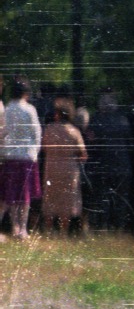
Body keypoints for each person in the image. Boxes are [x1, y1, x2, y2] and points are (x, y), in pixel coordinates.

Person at [0, 80, 43, 239]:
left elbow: (3, 132)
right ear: (26, 93)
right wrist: (35, 153)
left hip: (10, 156)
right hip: (26, 156)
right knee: (24, 196)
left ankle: (14, 227)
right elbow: (36, 132)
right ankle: (22, 229)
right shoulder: (30, 109)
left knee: (11, 195)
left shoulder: (8, 109)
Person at [85, 91, 132, 231]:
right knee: (119, 200)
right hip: (121, 166)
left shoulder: (95, 119)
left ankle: (103, 227)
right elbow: (130, 143)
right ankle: (117, 228)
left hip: (104, 166)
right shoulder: (123, 119)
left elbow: (90, 142)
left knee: (103, 198)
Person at [38, 99, 87, 234]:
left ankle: (48, 231)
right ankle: (63, 232)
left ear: (57, 114)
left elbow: (43, 148)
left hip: (51, 168)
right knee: (67, 201)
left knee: (50, 199)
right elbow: (83, 154)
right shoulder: (74, 131)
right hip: (70, 171)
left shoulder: (49, 129)